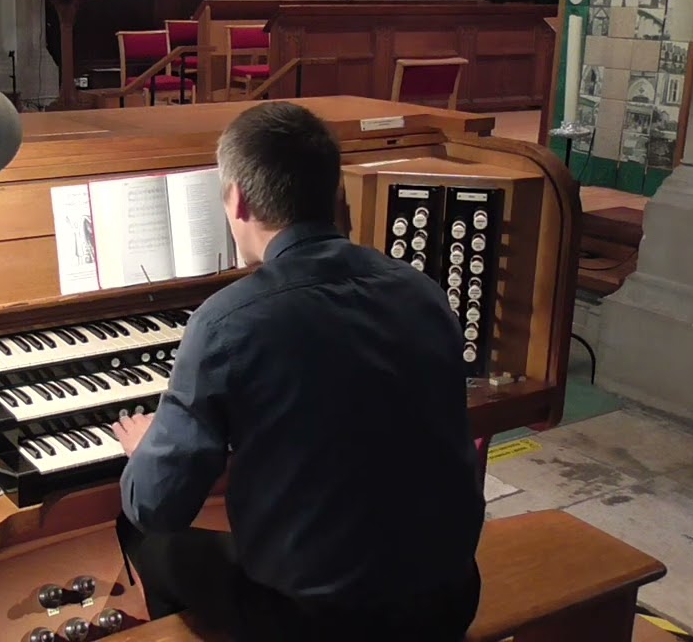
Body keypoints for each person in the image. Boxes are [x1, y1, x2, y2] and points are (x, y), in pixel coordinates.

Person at [110, 101, 485, 641]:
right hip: (449, 599)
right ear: (336, 194)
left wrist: (149, 450)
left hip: (319, 628)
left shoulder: (225, 322)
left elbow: (158, 506)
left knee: (147, 533)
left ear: (237, 200)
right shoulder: (422, 292)